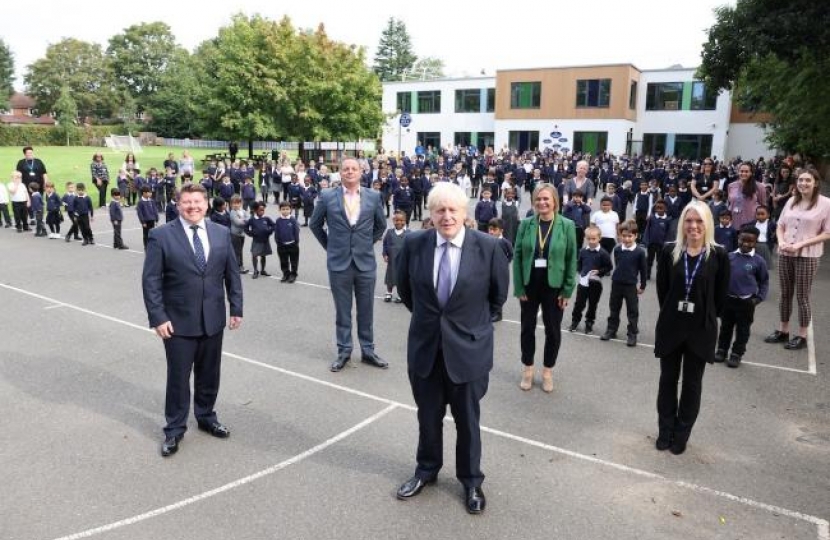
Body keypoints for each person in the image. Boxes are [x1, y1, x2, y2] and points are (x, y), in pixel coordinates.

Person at [395, 181, 509, 515]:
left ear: (464, 213)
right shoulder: (414, 243)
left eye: (452, 210)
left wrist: (466, 326)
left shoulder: (489, 247)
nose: (446, 216)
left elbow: (497, 297)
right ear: (430, 214)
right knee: (427, 416)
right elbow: (406, 291)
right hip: (426, 348)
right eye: (439, 210)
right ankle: (426, 470)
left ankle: (471, 480)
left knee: (467, 421)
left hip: (468, 352)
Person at [142, 183, 242, 457]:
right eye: (187, 202)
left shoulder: (221, 233)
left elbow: (231, 273)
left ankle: (207, 416)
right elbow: (151, 281)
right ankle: (174, 429)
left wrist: (236, 307)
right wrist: (158, 317)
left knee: (210, 374)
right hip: (177, 323)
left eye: (198, 201)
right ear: (178, 205)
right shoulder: (160, 236)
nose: (193, 206)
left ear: (207, 204)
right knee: (178, 378)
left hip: (213, 319)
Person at [654, 201, 729, 455]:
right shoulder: (669, 251)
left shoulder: (718, 254)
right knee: (667, 380)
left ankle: (681, 432)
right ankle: (665, 429)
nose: (694, 226)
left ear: (707, 223)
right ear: (682, 224)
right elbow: (663, 291)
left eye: (699, 221)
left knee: (692, 384)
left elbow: (719, 299)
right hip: (671, 326)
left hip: (701, 329)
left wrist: (704, 315)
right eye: (689, 220)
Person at [309, 157, 387, 372]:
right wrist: (331, 247)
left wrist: (366, 244)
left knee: (366, 311)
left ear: (361, 172)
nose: (350, 172)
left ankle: (368, 351)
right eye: (346, 169)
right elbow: (314, 225)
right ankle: (344, 350)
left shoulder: (373, 196)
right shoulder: (326, 196)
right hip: (339, 264)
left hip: (365, 264)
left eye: (354, 169)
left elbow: (381, 226)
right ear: (340, 173)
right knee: (342, 312)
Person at [513, 183, 577, 393]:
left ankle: (548, 371)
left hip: (554, 287)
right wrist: (519, 286)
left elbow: (571, 259)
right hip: (530, 285)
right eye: (538, 199)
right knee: (527, 329)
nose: (542, 202)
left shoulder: (566, 225)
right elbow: (518, 255)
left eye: (546, 199)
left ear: (554, 202)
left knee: (553, 331)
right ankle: (528, 369)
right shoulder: (526, 224)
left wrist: (567, 290)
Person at [764, 168, 830, 350]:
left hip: (807, 256)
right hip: (786, 253)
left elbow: (827, 233)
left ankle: (802, 335)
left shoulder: (826, 204)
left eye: (808, 180)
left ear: (815, 182)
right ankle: (783, 330)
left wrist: (801, 244)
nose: (803, 183)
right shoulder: (792, 201)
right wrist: (782, 241)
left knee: (802, 296)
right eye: (801, 180)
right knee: (785, 294)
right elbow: (780, 225)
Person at [715, 225, 769, 368]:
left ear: (755, 242)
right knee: (725, 327)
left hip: (746, 302)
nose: (745, 243)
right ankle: (721, 350)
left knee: (743, 330)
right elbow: (720, 277)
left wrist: (758, 298)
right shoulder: (729, 257)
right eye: (742, 240)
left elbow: (764, 282)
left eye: (750, 241)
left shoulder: (759, 261)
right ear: (738, 239)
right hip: (728, 300)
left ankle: (736, 354)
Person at [600, 220, 647, 347]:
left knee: (632, 310)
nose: (626, 239)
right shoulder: (617, 249)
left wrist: (642, 285)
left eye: (630, 236)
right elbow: (618, 263)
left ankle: (632, 334)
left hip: (631, 285)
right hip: (617, 283)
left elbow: (643, 270)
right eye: (624, 236)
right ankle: (611, 330)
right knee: (614, 308)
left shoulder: (640, 252)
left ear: (636, 236)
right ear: (620, 235)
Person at [569, 225, 613, 334]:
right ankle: (575, 321)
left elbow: (609, 267)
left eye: (593, 239)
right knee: (579, 303)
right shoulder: (583, 251)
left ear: (599, 238)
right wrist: (580, 271)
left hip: (595, 283)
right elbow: (579, 263)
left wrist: (599, 272)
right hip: (583, 283)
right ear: (585, 238)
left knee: (593, 304)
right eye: (588, 239)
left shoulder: (603, 253)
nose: (591, 241)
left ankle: (589, 323)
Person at [487, 218, 514, 322]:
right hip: (488, 270)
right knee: (489, 290)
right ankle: (490, 311)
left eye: (494, 229)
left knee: (498, 290)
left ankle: (498, 314)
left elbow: (511, 254)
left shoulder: (505, 242)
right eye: (490, 229)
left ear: (501, 230)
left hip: (500, 272)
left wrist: (503, 264)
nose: (491, 232)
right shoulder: (487, 240)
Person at [727, 162, 768, 229]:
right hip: (733, 221)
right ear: (738, 172)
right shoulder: (731, 186)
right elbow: (730, 203)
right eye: (741, 171)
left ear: (751, 173)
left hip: (750, 222)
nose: (743, 173)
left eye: (746, 171)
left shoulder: (759, 187)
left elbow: (763, 205)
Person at [382, 211, 409, 303]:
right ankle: (389, 293)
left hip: (403, 260)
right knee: (390, 275)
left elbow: (411, 246)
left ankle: (401, 295)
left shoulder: (408, 233)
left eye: (402, 220)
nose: (399, 222)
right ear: (393, 221)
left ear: (405, 221)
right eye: (396, 220)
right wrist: (385, 254)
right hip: (392, 259)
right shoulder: (390, 232)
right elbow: (385, 244)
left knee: (401, 277)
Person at [245, 201, 275, 279]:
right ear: (255, 210)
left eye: (263, 210)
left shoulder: (266, 218)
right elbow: (245, 228)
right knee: (254, 255)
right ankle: (255, 270)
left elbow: (273, 225)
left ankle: (263, 270)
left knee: (263, 255)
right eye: (260, 210)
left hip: (265, 240)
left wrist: (269, 231)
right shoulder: (252, 220)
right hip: (257, 241)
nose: (262, 211)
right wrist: (251, 233)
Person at [274, 201, 300, 283]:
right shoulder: (278, 220)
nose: (285, 211)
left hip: (292, 245)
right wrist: (278, 242)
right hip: (282, 246)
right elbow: (276, 232)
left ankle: (293, 274)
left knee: (294, 261)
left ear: (290, 210)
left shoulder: (293, 220)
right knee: (283, 261)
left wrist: (296, 242)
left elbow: (296, 231)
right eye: (283, 209)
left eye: (287, 209)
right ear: (280, 210)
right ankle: (286, 273)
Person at [228, 195, 249, 274]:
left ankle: (240, 265)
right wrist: (245, 221)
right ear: (231, 204)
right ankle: (238, 267)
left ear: (241, 203)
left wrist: (243, 220)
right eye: (234, 203)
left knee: (240, 250)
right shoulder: (232, 212)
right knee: (237, 251)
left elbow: (248, 218)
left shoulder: (243, 211)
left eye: (238, 203)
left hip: (242, 234)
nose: (236, 205)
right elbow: (238, 223)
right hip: (235, 234)